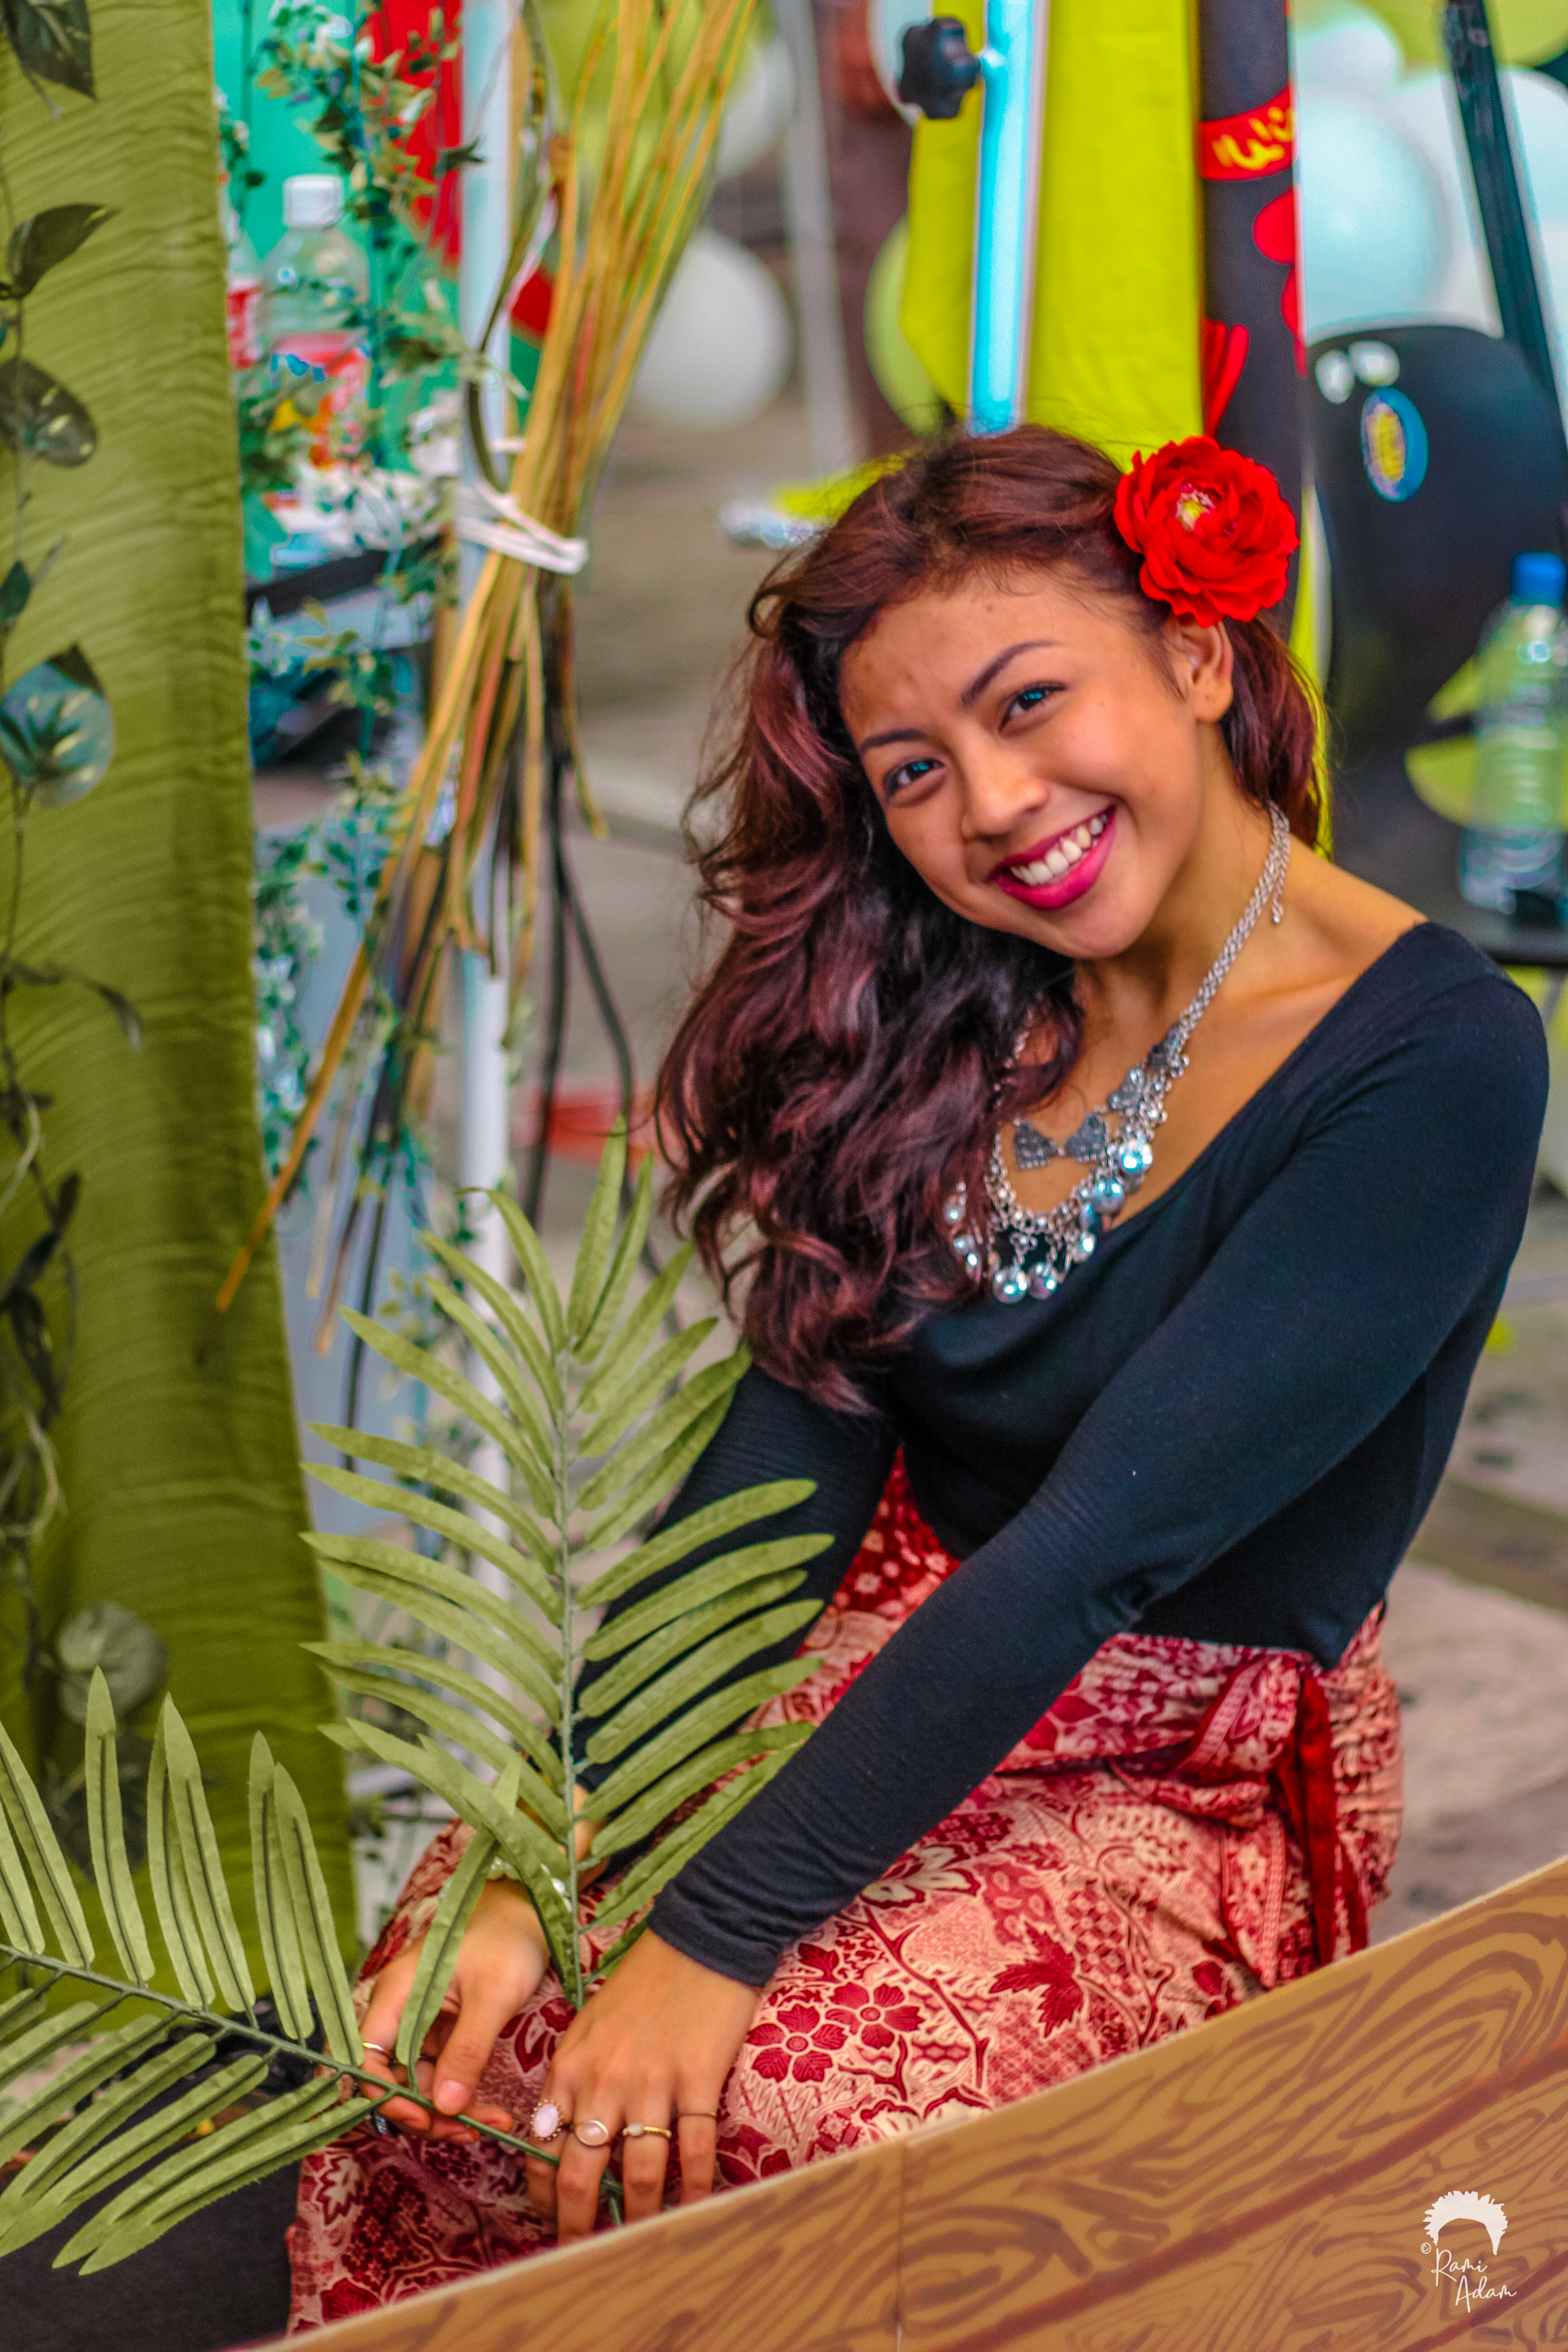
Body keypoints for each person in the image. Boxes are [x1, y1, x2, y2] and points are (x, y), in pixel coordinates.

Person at [288, 427, 1547, 2323]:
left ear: (1197, 660)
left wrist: (714, 1931)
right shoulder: (952, 1000)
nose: (997, 804)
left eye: (1031, 701)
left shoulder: (1435, 1059)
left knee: (773, 2098)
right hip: (858, 1669)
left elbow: (1091, 1562)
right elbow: (774, 1479)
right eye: (916, 773)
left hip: (1167, 1763)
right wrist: (545, 1865)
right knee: (457, 2025)